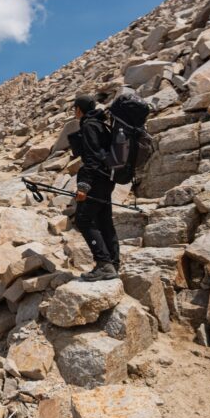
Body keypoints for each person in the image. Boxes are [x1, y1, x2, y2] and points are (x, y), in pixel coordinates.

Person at [67, 94, 120, 281]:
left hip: (96, 179)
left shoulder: (89, 125)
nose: (74, 112)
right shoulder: (101, 124)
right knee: (104, 221)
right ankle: (113, 263)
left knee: (83, 219)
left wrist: (83, 186)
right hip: (108, 179)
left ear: (79, 109)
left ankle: (104, 264)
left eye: (75, 108)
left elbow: (92, 158)